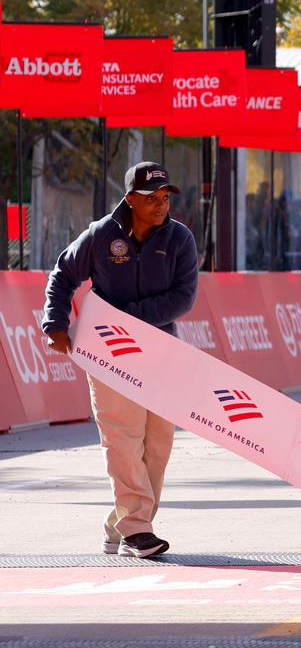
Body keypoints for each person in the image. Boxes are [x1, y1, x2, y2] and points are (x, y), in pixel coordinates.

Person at [42, 161, 199, 559]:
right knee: (122, 438)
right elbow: (63, 274)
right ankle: (137, 531)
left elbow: (184, 297)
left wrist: (127, 319)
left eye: (165, 197)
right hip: (108, 353)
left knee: (157, 445)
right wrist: (56, 324)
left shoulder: (180, 238)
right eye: (152, 198)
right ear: (130, 199)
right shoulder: (101, 235)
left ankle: (121, 524)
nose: (161, 205)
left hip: (161, 353)